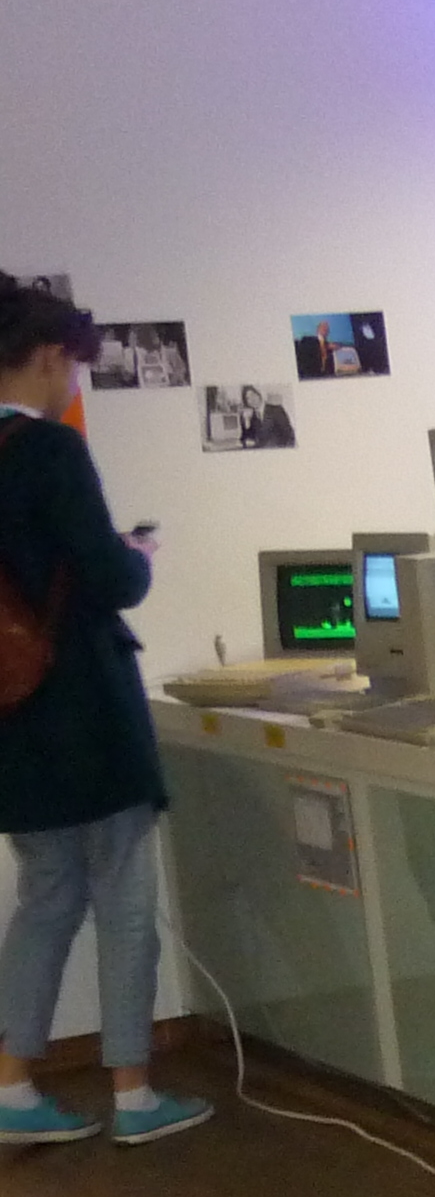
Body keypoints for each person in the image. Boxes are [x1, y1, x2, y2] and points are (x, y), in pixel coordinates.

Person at [0, 270, 206, 1146]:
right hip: (84, 709)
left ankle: (12, 1089)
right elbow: (111, 579)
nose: (74, 383)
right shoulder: (49, 450)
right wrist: (138, 557)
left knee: (45, 898)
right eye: (75, 367)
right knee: (124, 899)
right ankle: (133, 1093)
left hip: (11, 719)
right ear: (50, 357)